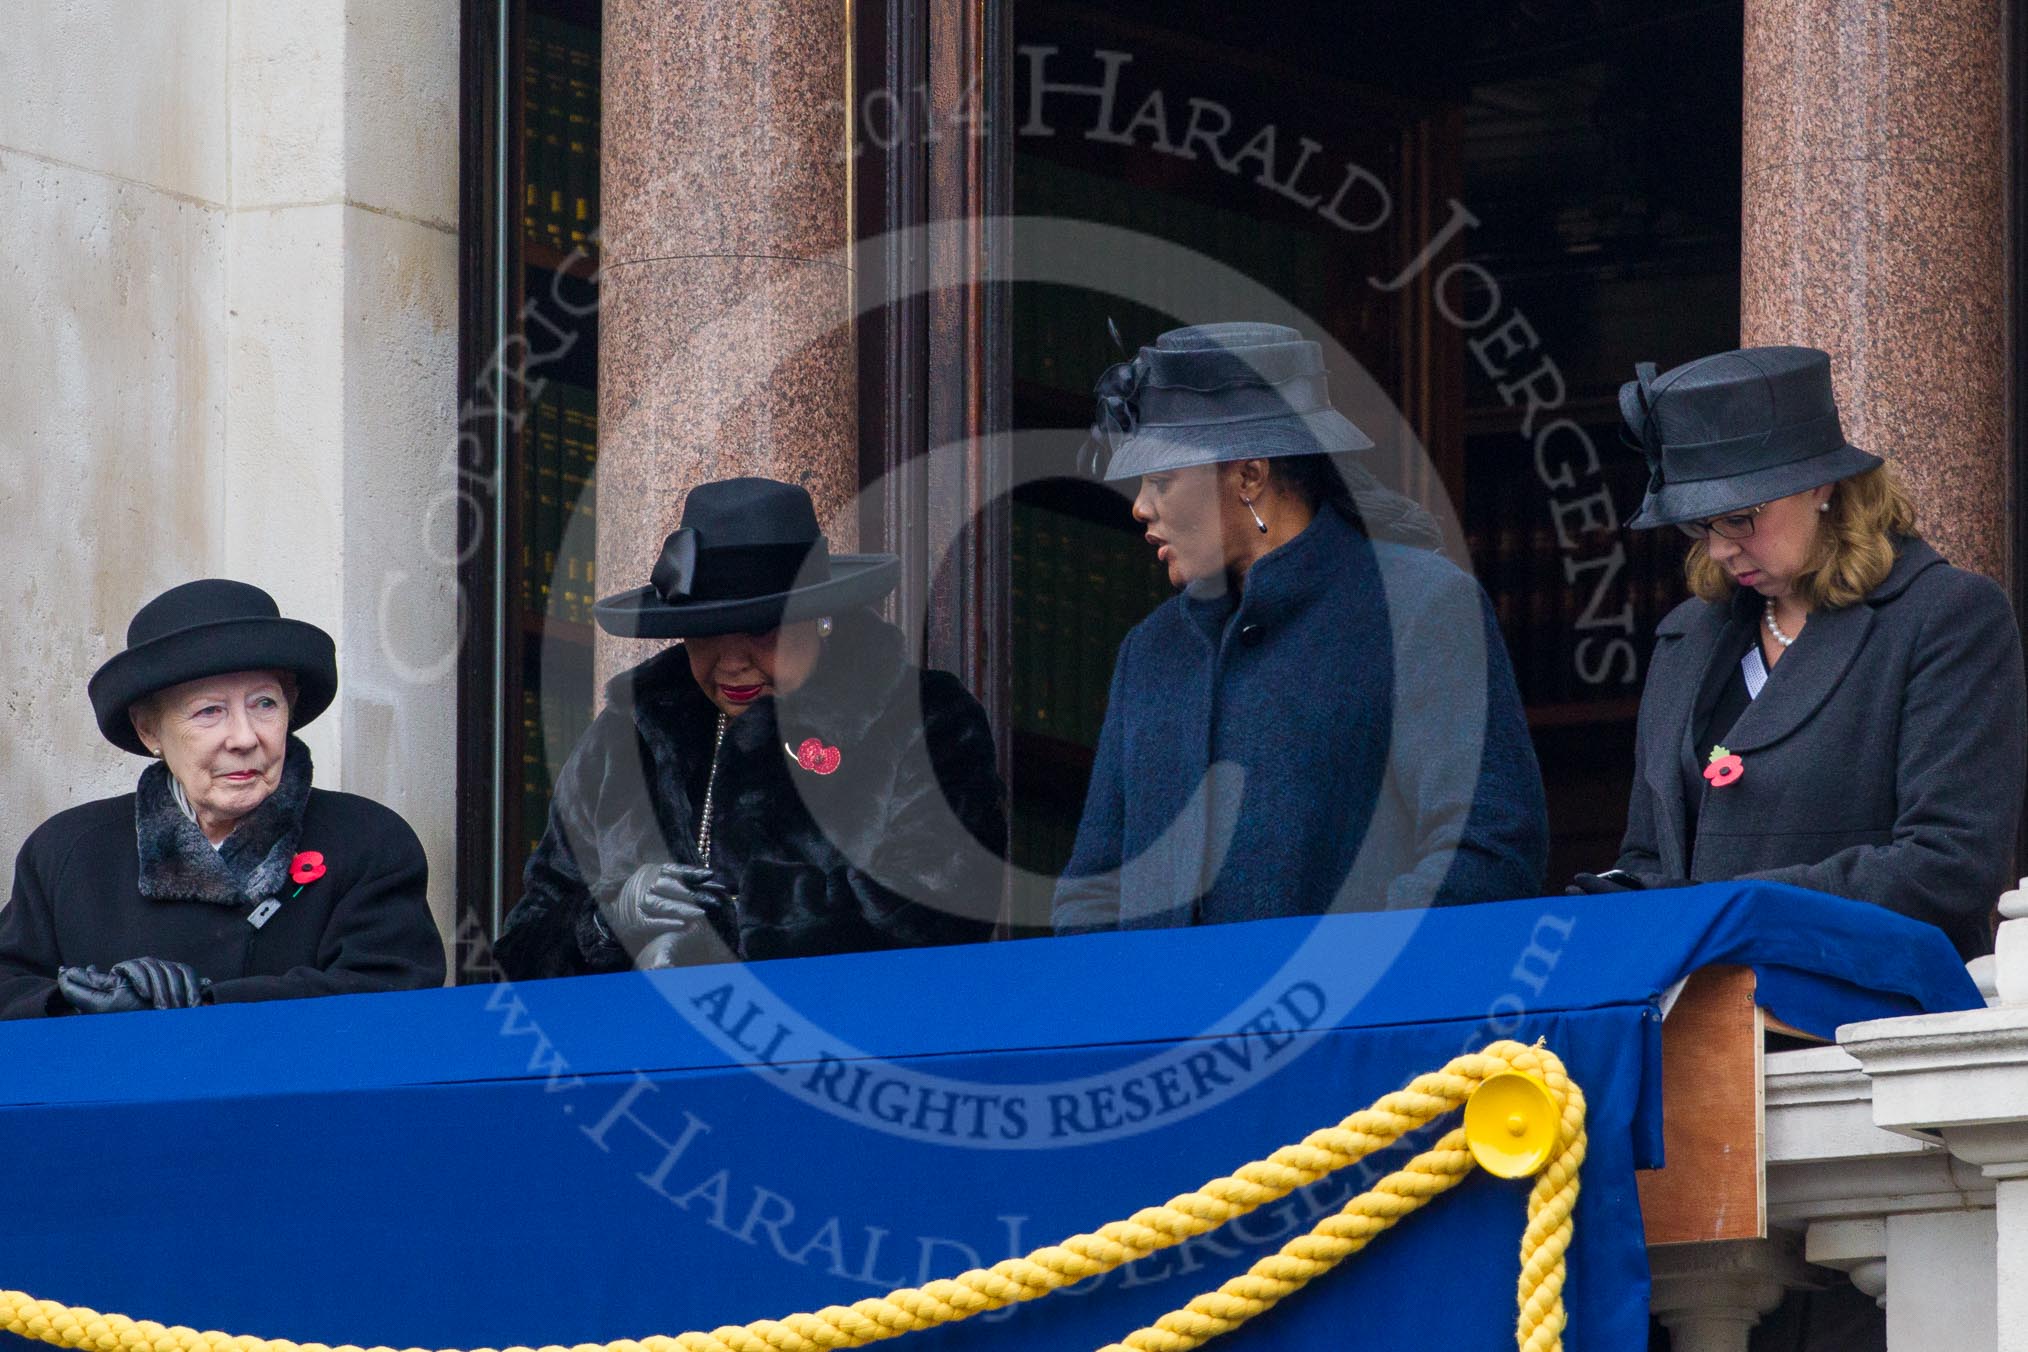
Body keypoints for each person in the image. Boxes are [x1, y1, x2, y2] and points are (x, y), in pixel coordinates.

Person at [1053, 323, 1549, 933]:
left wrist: (1338, 990)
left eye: (1160, 481)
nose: (1140, 507)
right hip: (1163, 1027)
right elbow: (1089, 896)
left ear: (1249, 476)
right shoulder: (1149, 651)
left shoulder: (1422, 609)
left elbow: (1487, 850)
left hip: (1362, 1022)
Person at [1572, 345, 2026, 961]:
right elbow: (1651, 856)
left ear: (1821, 486)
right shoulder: (1686, 639)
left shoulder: (1945, 616)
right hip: (1702, 1024)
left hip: (1868, 1025)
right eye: (1700, 525)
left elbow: (1948, 865)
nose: (1720, 549)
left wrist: (1734, 911)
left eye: (1738, 517)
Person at [494, 477, 1006, 978]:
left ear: (819, 615)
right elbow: (523, 945)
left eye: (762, 629)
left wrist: (728, 923)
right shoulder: (625, 735)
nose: (731, 662)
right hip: (639, 1054)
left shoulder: (920, 716)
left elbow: (942, 907)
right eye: (705, 633)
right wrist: (607, 923)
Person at [0, 580, 446, 1018]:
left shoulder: (367, 841)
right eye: (209, 711)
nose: (244, 737)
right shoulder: (68, 853)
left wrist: (206, 1004)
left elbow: (391, 996)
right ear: (149, 730)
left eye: (265, 704)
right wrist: (79, 1004)